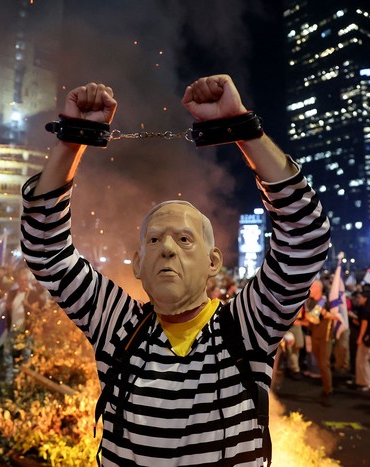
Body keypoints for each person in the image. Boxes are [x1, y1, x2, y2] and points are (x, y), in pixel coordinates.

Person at [20, 75, 330, 464]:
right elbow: (45, 246)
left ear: (213, 262)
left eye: (185, 240)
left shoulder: (246, 328)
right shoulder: (118, 327)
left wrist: (242, 129)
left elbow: (306, 236)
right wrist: (71, 141)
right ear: (137, 265)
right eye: (153, 241)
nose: (167, 248)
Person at [353, 290, 370, 392]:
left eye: (360, 297)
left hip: (366, 337)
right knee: (368, 360)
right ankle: (366, 381)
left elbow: (364, 324)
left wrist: (360, 337)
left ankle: (367, 383)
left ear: (365, 298)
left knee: (363, 361)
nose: (358, 299)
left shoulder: (364, 309)